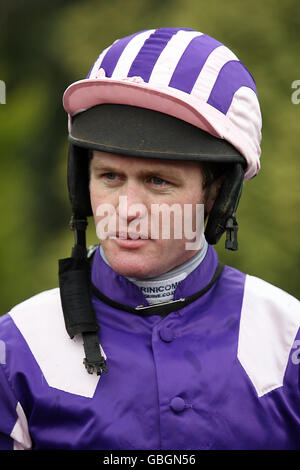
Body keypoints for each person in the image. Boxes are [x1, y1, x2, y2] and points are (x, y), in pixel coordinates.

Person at [0, 27, 299, 451]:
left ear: (216, 193)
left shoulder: (289, 340)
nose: (126, 208)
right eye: (109, 177)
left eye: (158, 181)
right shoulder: (15, 348)